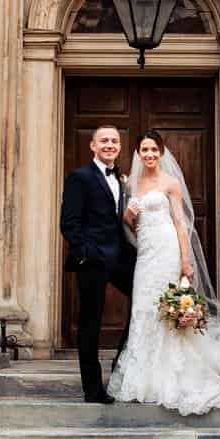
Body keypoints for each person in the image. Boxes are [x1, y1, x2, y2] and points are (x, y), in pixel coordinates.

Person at [109, 132, 220, 415]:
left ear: (162, 152)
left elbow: (179, 223)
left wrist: (185, 261)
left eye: (153, 149)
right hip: (145, 253)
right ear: (138, 154)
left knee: (167, 309)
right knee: (143, 308)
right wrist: (129, 214)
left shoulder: (170, 183)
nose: (149, 154)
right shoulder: (131, 184)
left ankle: (172, 373)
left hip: (167, 250)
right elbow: (128, 222)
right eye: (144, 150)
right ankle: (143, 377)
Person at [59, 124, 136, 404]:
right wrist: (84, 252)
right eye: (103, 140)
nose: (109, 145)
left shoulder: (121, 177)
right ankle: (93, 389)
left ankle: (122, 363)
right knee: (90, 322)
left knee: (145, 300)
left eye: (114, 141)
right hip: (92, 258)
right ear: (92, 145)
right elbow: (69, 222)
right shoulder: (79, 177)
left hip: (119, 255)